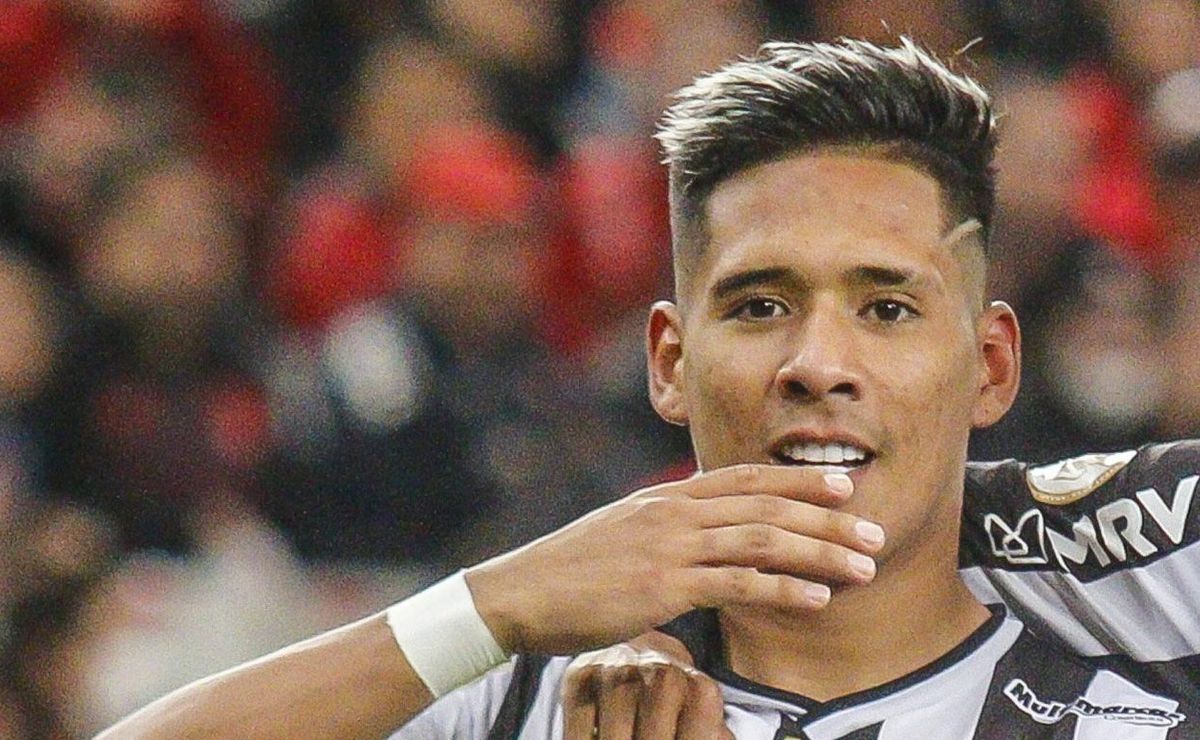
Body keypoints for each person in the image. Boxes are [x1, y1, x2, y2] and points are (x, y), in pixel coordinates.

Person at [97, 39, 1198, 739]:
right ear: (668, 361)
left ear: (991, 365)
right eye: (760, 305)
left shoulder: (1143, 680)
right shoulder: (527, 698)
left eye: (887, 308)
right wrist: (493, 605)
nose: (818, 362)